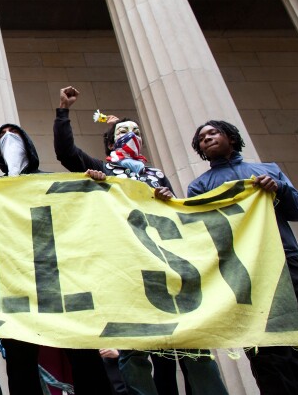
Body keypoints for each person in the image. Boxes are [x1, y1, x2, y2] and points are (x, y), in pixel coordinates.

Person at [54, 86, 228, 395]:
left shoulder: (156, 173)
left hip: (166, 263)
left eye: (135, 131)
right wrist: (64, 112)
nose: (130, 135)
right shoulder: (104, 169)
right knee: (134, 350)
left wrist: (168, 198)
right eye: (123, 131)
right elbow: (67, 153)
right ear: (110, 141)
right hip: (127, 265)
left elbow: (177, 216)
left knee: (191, 345)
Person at [0, 121, 114, 394]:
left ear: (27, 141)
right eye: (2, 137)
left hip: (60, 280)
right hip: (16, 283)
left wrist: (94, 186)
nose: (9, 139)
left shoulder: (54, 181)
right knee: (20, 363)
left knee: (83, 355)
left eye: (14, 134)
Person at [188, 120, 298, 394]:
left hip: (287, 262)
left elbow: (296, 210)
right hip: (245, 275)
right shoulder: (198, 187)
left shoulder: (268, 170)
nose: (207, 139)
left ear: (231, 137)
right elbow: (200, 233)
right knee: (265, 351)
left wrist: (280, 189)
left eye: (213, 132)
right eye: (202, 138)